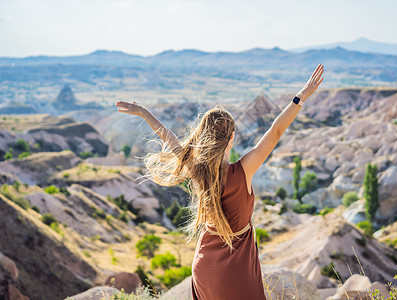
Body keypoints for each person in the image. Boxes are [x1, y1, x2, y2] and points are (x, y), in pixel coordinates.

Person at [115, 64, 324, 299]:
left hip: (204, 267)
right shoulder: (243, 170)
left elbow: (169, 137)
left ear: (203, 137)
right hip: (238, 272)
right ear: (231, 138)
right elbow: (275, 131)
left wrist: (143, 112)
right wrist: (300, 97)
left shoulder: (197, 170)